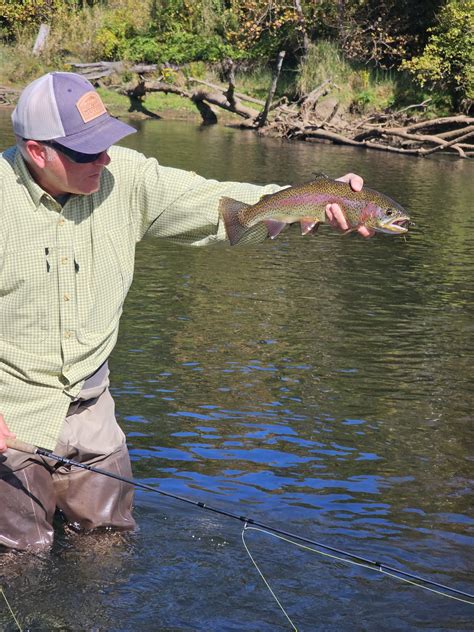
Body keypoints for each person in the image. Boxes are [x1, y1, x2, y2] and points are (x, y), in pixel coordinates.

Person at [0, 71, 372, 552]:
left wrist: (321, 197)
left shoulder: (125, 177)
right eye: (86, 151)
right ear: (37, 151)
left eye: (107, 142)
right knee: (18, 559)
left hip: (92, 408)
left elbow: (216, 202)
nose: (104, 158)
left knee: (109, 548)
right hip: (12, 414)